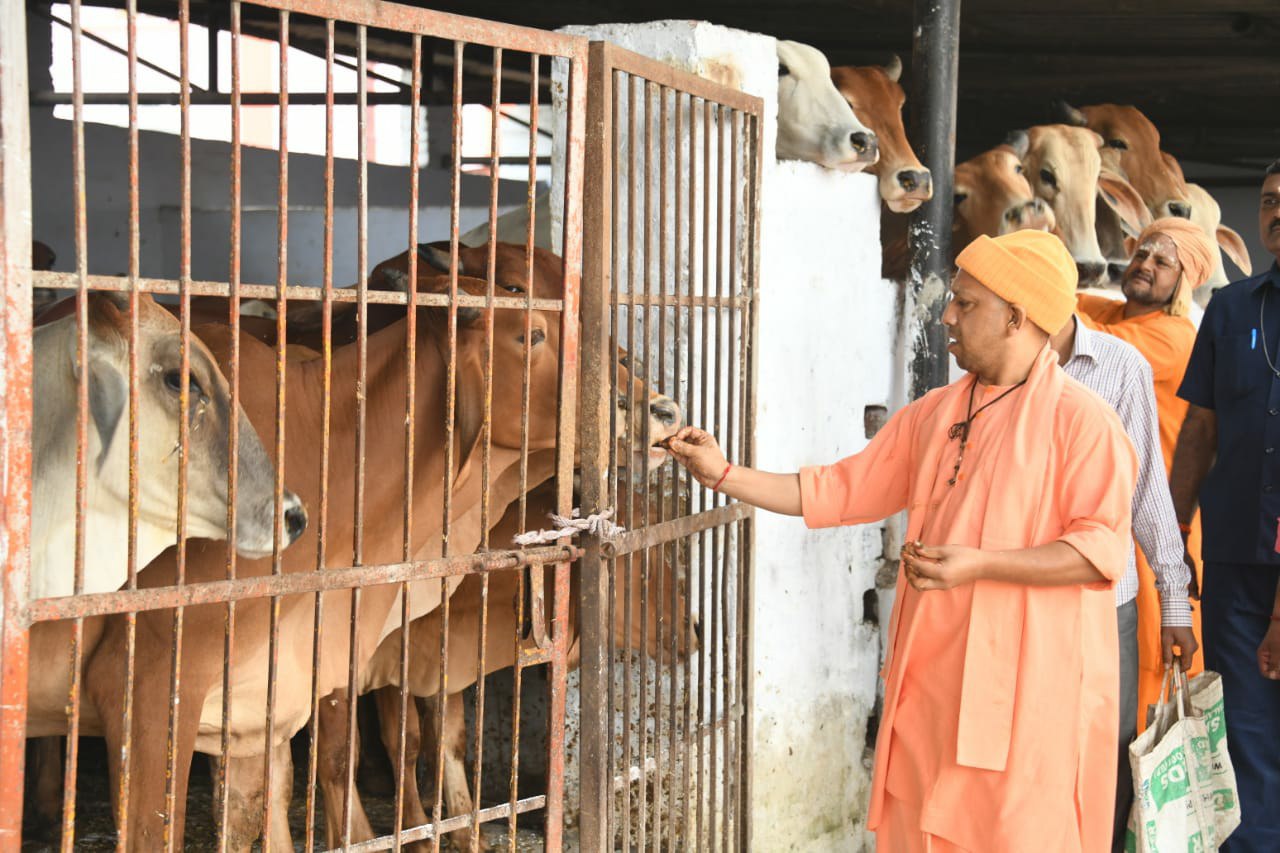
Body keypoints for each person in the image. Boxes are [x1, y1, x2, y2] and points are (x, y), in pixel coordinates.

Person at [667, 230, 1137, 852]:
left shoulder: (1084, 423)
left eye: (966, 303)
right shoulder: (937, 412)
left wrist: (980, 566)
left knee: (1017, 835)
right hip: (932, 682)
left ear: (1016, 317)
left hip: (1030, 695)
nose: (948, 316)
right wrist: (724, 474)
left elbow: (1098, 553)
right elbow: (840, 490)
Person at [1047, 312, 1196, 851]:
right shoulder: (994, 363)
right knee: (1033, 753)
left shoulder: (1120, 363)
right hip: (1019, 598)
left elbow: (1147, 487)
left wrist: (1175, 602)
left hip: (1108, 604)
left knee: (1106, 754)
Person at [1169, 159, 1280, 853]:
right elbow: (1199, 430)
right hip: (1237, 558)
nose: (1277, 212)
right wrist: (1172, 533)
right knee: (1244, 731)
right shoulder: (1234, 309)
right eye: (1269, 201)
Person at [1076, 217, 1217, 730]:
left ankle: (1139, 774)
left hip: (1155, 516)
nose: (1145, 265)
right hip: (1108, 510)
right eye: (1142, 254)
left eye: (1162, 262)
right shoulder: (1109, 311)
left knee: (1152, 656)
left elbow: (1076, 336)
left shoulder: (1173, 337)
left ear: (1184, 281)